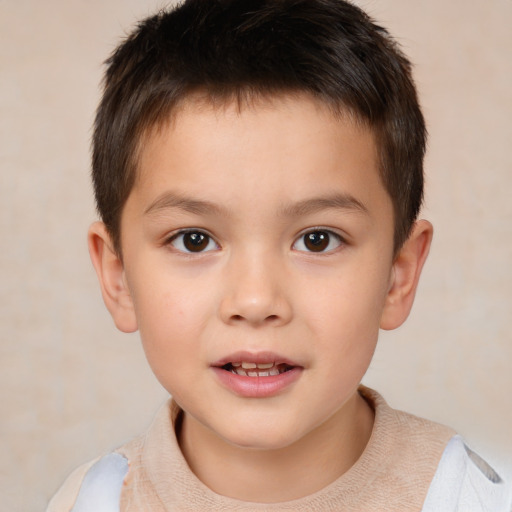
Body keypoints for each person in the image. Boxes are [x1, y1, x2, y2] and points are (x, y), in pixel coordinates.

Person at [47, 0, 511, 510]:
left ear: (397, 276)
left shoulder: (466, 498)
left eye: (317, 239)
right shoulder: (93, 500)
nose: (255, 300)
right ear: (118, 278)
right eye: (194, 239)